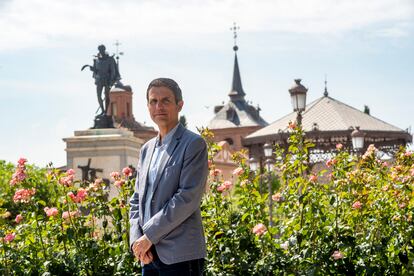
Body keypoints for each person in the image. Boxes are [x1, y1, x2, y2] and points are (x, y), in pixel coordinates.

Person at [129, 78, 208, 275]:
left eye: (165, 100)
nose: (159, 106)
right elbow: (136, 200)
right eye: (153, 101)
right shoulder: (146, 149)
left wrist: (149, 236)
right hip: (148, 254)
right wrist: (136, 241)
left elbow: (187, 198)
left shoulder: (193, 144)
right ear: (147, 106)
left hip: (180, 255)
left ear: (179, 105)